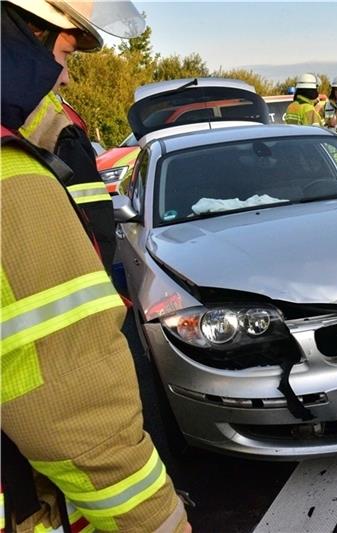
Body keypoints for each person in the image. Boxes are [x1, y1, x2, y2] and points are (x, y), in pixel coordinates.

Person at [1, 1, 190, 532]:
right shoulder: (14, 177)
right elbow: (73, 406)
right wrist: (159, 521)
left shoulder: (51, 139)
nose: (62, 73)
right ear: (18, 33)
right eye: (62, 51)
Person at [20, 91, 116, 274]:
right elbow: (97, 223)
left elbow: (94, 219)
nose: (65, 79)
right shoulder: (54, 123)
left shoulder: (56, 127)